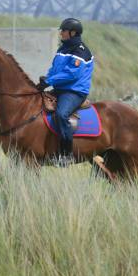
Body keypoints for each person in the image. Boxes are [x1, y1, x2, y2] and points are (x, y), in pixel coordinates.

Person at [37, 18, 94, 166]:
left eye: (63, 30)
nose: (61, 33)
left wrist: (49, 81)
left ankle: (66, 155)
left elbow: (72, 74)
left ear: (72, 32)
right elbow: (55, 69)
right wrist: (46, 80)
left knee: (62, 114)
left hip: (74, 92)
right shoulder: (62, 49)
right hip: (60, 89)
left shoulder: (81, 51)